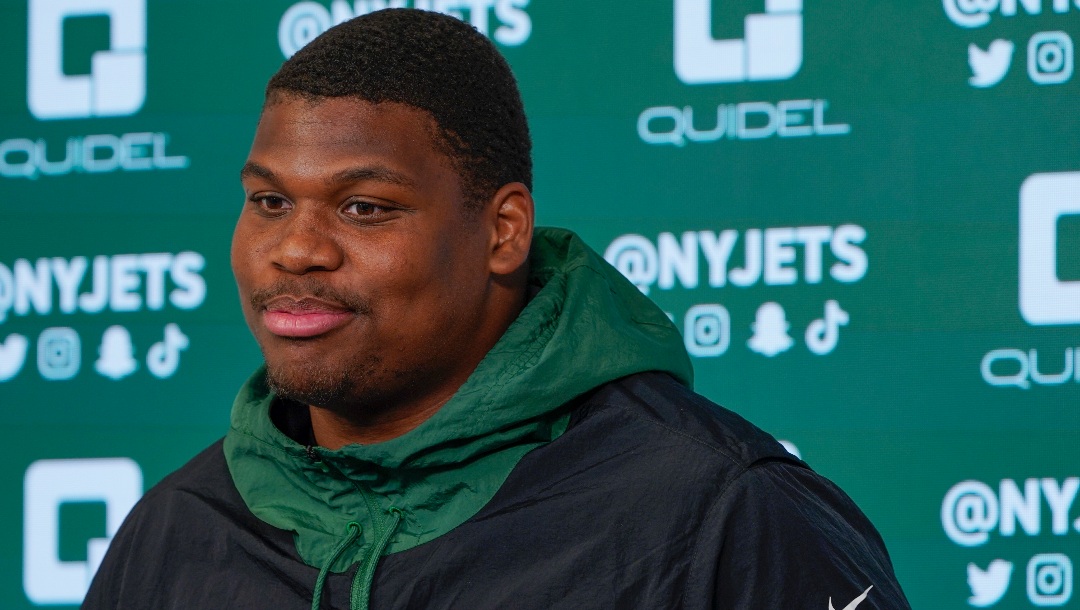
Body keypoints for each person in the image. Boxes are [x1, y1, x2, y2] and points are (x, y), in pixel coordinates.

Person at [84, 9, 911, 610]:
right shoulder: (175, 533)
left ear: (503, 231)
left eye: (364, 207)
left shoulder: (720, 511)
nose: (296, 249)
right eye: (267, 201)